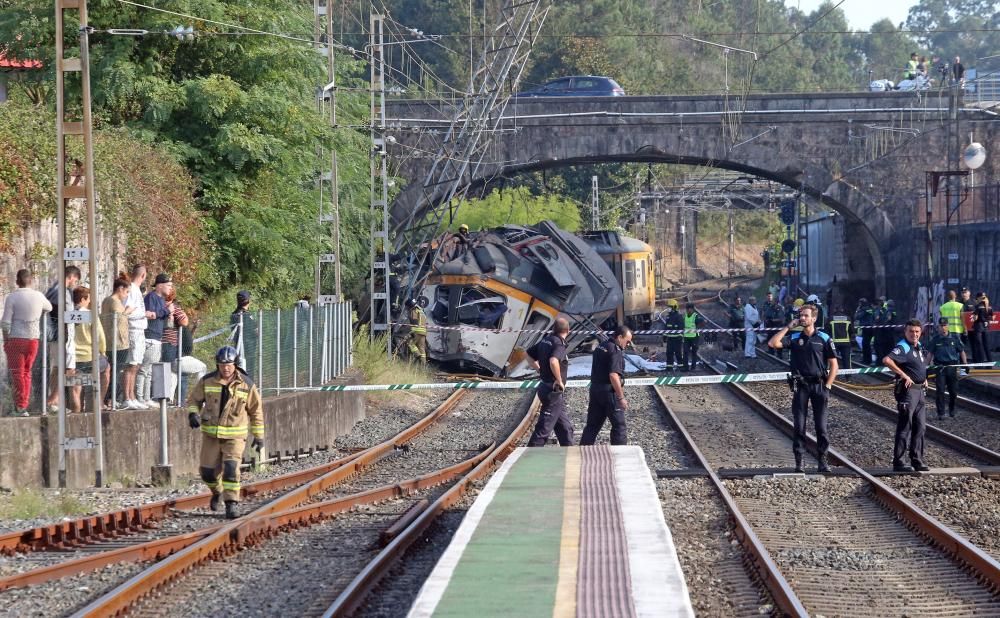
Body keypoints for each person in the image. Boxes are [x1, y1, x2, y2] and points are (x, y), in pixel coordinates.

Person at [187, 345, 263, 519]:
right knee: (206, 472)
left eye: (229, 364)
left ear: (235, 364)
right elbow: (194, 400)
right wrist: (193, 413)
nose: (225, 368)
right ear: (217, 365)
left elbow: (256, 411)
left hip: (235, 437)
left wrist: (259, 436)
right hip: (211, 436)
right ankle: (217, 492)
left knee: (231, 469)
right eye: (222, 364)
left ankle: (231, 504)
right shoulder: (207, 381)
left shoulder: (247, 384)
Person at [768, 304, 838, 474]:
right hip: (801, 386)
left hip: (819, 386)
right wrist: (788, 327)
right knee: (799, 426)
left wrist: (828, 385)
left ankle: (823, 461)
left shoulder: (823, 338)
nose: (802, 318)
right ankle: (799, 462)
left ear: (814, 318)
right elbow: (772, 343)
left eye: (806, 315)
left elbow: (834, 364)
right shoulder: (794, 338)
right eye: (801, 315)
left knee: (821, 427)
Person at [1, 269, 52, 416]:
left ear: (17, 281)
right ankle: (23, 405)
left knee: (17, 373)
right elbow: (49, 307)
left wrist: (6, 341)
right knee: (27, 373)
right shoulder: (38, 296)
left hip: (16, 339)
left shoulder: (12, 297)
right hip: (33, 340)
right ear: (31, 281)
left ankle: (21, 407)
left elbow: (5, 323)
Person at [883, 319, 931, 472]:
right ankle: (899, 462)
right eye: (911, 331)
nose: (914, 334)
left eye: (917, 331)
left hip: (919, 391)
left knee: (920, 427)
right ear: (905, 332)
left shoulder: (919, 347)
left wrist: (924, 379)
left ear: (920, 333)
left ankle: (917, 460)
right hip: (907, 392)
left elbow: (919, 366)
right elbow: (887, 360)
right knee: (905, 426)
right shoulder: (903, 346)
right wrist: (903, 375)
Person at [581, 325, 633, 446]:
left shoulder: (601, 346)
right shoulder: (615, 350)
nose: (628, 344)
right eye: (628, 341)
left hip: (595, 389)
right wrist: (621, 397)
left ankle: (583, 452)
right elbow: (614, 375)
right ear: (620, 337)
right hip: (609, 392)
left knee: (592, 425)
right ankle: (619, 454)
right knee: (619, 426)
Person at [526, 317, 573, 447]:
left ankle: (568, 450)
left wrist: (539, 369)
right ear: (568, 330)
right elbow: (554, 361)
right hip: (553, 390)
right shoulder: (559, 343)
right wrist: (558, 380)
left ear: (554, 328)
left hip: (546, 387)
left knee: (565, 427)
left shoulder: (546, 340)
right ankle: (531, 454)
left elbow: (528, 355)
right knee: (544, 428)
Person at [70, 287, 110, 413]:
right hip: (90, 356)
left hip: (73, 358)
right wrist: (103, 352)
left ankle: (77, 413)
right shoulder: (90, 315)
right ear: (83, 299)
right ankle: (98, 403)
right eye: (88, 299)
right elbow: (100, 336)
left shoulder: (68, 315)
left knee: (76, 386)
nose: (89, 302)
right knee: (106, 369)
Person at [136, 274, 172, 408]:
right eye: (168, 285)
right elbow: (151, 314)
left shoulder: (162, 300)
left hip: (157, 338)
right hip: (149, 337)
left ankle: (146, 398)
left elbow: (160, 314)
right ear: (160, 285)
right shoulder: (151, 297)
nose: (170, 288)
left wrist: (168, 313)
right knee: (144, 369)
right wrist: (166, 311)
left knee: (150, 370)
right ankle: (140, 398)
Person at [100, 278, 131, 408]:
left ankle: (109, 398)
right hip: (118, 343)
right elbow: (118, 319)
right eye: (127, 291)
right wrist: (128, 311)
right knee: (116, 371)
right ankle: (111, 398)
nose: (127, 295)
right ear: (120, 289)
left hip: (108, 341)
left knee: (112, 370)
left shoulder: (106, 300)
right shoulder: (114, 301)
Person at [122, 265, 149, 410]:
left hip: (139, 330)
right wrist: (145, 314)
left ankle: (132, 396)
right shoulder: (132, 289)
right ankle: (127, 397)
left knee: (136, 365)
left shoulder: (137, 290)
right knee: (131, 365)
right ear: (143, 275)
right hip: (133, 330)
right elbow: (128, 312)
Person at [928, 316, 966, 419]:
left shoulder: (954, 338)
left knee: (953, 391)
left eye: (945, 325)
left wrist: (965, 365)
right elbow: (930, 354)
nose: (943, 328)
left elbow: (961, 351)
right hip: (940, 368)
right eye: (941, 326)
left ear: (948, 326)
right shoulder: (935, 339)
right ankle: (941, 413)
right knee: (940, 391)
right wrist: (927, 367)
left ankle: (951, 409)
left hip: (952, 367)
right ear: (938, 327)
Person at [230, 290, 253, 373]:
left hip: (239, 344)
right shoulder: (245, 315)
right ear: (247, 301)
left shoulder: (234, 314)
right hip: (248, 345)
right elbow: (253, 330)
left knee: (240, 365)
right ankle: (247, 383)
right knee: (248, 367)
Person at [970, 293, 993, 363]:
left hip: (979, 327)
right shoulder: (989, 307)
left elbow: (975, 318)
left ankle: (981, 362)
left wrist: (974, 317)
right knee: (986, 345)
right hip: (986, 327)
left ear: (979, 298)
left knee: (979, 345)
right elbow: (991, 317)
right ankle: (990, 363)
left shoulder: (978, 306)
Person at [682, 303, 705, 371]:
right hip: (686, 337)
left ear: (692, 309)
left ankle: (693, 367)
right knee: (685, 352)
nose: (688, 310)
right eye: (687, 309)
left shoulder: (695, 316)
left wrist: (701, 325)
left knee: (694, 353)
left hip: (694, 337)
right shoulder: (685, 316)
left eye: (690, 309)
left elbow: (701, 323)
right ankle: (685, 367)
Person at [662, 299, 684, 371]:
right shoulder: (668, 317)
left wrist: (680, 337)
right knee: (669, 353)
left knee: (678, 353)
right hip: (670, 339)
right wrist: (664, 336)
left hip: (677, 339)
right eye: (668, 307)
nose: (668, 308)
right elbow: (666, 328)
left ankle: (681, 367)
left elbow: (681, 328)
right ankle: (669, 367)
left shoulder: (679, 316)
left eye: (670, 307)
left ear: (674, 307)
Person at [404, 297, 427, 362]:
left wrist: (411, 332)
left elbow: (414, 322)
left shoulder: (414, 310)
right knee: (421, 347)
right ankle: (423, 364)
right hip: (423, 331)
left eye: (407, 307)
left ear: (409, 306)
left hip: (417, 331)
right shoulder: (421, 310)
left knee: (410, 343)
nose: (407, 309)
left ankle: (417, 355)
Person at [763, 293, 785, 358]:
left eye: (773, 301)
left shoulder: (781, 307)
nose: (772, 302)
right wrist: (766, 319)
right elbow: (767, 314)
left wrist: (773, 320)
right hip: (771, 326)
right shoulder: (771, 307)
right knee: (769, 338)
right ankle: (771, 351)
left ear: (777, 302)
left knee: (778, 340)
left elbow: (781, 318)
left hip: (778, 326)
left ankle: (779, 354)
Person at [854, 298, 875, 365]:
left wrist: (857, 310)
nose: (859, 304)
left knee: (865, 344)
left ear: (862, 303)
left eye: (860, 303)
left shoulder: (864, 309)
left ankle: (867, 360)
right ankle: (867, 360)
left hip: (867, 329)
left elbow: (857, 317)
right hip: (870, 328)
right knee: (866, 344)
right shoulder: (870, 308)